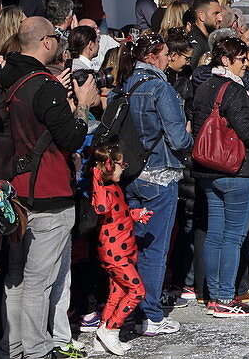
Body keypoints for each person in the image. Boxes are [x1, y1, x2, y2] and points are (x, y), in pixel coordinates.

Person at [0, 17, 98, 359]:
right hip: (48, 193)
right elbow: (72, 138)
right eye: (56, 37)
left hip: (15, 192)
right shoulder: (45, 85)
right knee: (38, 282)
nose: (59, 42)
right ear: (45, 42)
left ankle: (12, 348)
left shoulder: (9, 79)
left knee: (16, 278)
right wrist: (83, 103)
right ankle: (37, 350)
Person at [113, 33, 193, 336]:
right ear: (152, 57)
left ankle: (130, 309)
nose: (167, 58)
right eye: (163, 54)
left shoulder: (123, 85)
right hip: (158, 174)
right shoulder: (160, 87)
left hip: (129, 173)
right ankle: (151, 314)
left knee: (130, 245)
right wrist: (190, 135)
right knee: (154, 248)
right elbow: (177, 138)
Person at [191, 36, 249, 317]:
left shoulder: (203, 88)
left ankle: (214, 296)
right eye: (241, 59)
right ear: (225, 60)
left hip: (208, 171)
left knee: (214, 235)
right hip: (237, 171)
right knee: (234, 237)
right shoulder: (234, 91)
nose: (246, 64)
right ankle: (225, 297)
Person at [89, 143, 149, 356]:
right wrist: (96, 178)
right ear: (108, 166)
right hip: (114, 251)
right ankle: (111, 329)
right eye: (120, 164)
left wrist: (136, 215)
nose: (124, 167)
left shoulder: (115, 189)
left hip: (125, 249)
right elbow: (102, 209)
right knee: (137, 290)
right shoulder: (103, 190)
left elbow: (119, 215)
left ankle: (100, 336)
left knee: (117, 292)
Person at [187, 0, 223, 66]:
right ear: (202, 16)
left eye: (220, 13)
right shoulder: (194, 45)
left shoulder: (209, 39)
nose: (220, 18)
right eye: (215, 13)